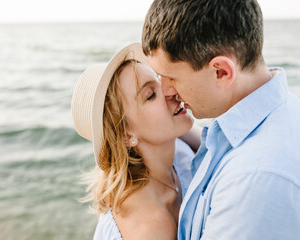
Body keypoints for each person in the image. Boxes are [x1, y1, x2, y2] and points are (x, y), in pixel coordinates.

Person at [142, 0, 300, 239]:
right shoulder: (277, 114)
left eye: (171, 77)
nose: (167, 91)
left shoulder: (252, 182)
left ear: (221, 72)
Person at [72, 43, 201, 239]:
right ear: (126, 135)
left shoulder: (176, 142)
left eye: (159, 80)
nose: (170, 90)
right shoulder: (149, 226)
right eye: (150, 95)